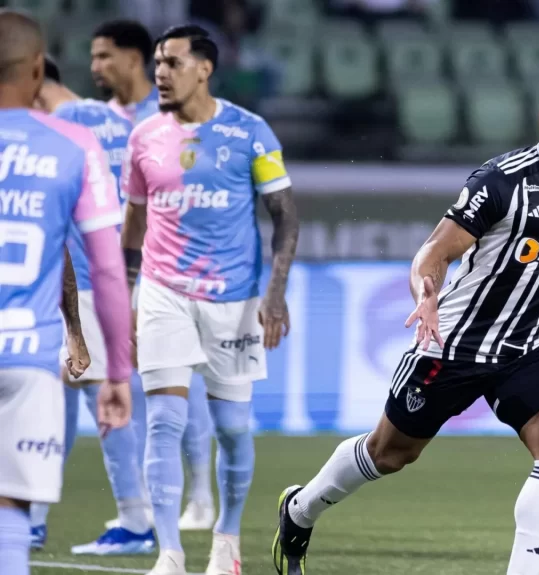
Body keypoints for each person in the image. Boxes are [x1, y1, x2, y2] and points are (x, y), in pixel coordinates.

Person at [272, 72, 539, 575]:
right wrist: (428, 292)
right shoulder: (503, 181)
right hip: (456, 343)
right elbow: (435, 251)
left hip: (535, 348)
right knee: (390, 453)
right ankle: (301, 508)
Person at [121, 24, 298, 575]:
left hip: (235, 299)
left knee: (233, 430)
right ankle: (169, 552)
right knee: (163, 422)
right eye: (156, 62)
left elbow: (285, 215)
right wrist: (128, 293)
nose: (160, 73)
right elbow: (134, 222)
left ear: (204, 68)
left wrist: (276, 292)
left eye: (172, 62)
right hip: (162, 292)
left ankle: (226, 539)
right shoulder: (144, 136)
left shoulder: (251, 132)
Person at [0, 10, 134, 575]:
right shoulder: (74, 145)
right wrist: (118, 373)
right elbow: (106, 268)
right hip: (30, 358)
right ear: (38, 70)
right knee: (11, 515)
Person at [25, 57, 157, 556]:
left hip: (78, 281)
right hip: (108, 278)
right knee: (62, 403)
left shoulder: (62, 127)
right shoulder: (113, 121)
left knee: (100, 404)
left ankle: (135, 520)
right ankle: (33, 516)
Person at [93, 19, 219, 532]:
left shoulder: (172, 116)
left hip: (174, 270)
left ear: (133, 58)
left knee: (176, 380)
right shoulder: (94, 120)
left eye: (104, 56)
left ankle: (201, 497)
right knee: (136, 384)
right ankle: (149, 503)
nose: (96, 66)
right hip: (119, 267)